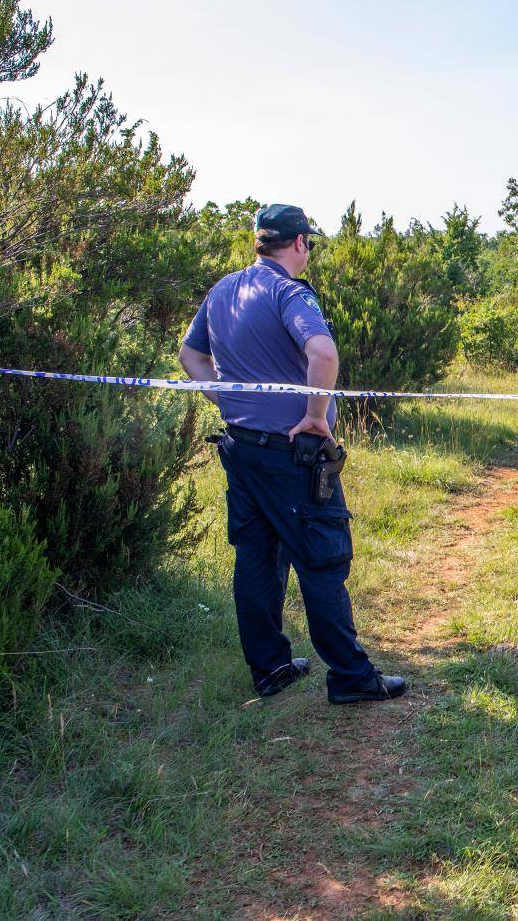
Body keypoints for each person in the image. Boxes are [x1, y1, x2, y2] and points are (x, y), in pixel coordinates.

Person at [178, 203, 405, 705]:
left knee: (256, 558)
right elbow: (323, 352)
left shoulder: (222, 290)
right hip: (290, 455)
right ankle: (351, 678)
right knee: (322, 561)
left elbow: (189, 355)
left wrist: (223, 396)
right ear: (300, 243)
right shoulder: (288, 291)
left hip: (240, 448)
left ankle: (270, 668)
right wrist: (317, 416)